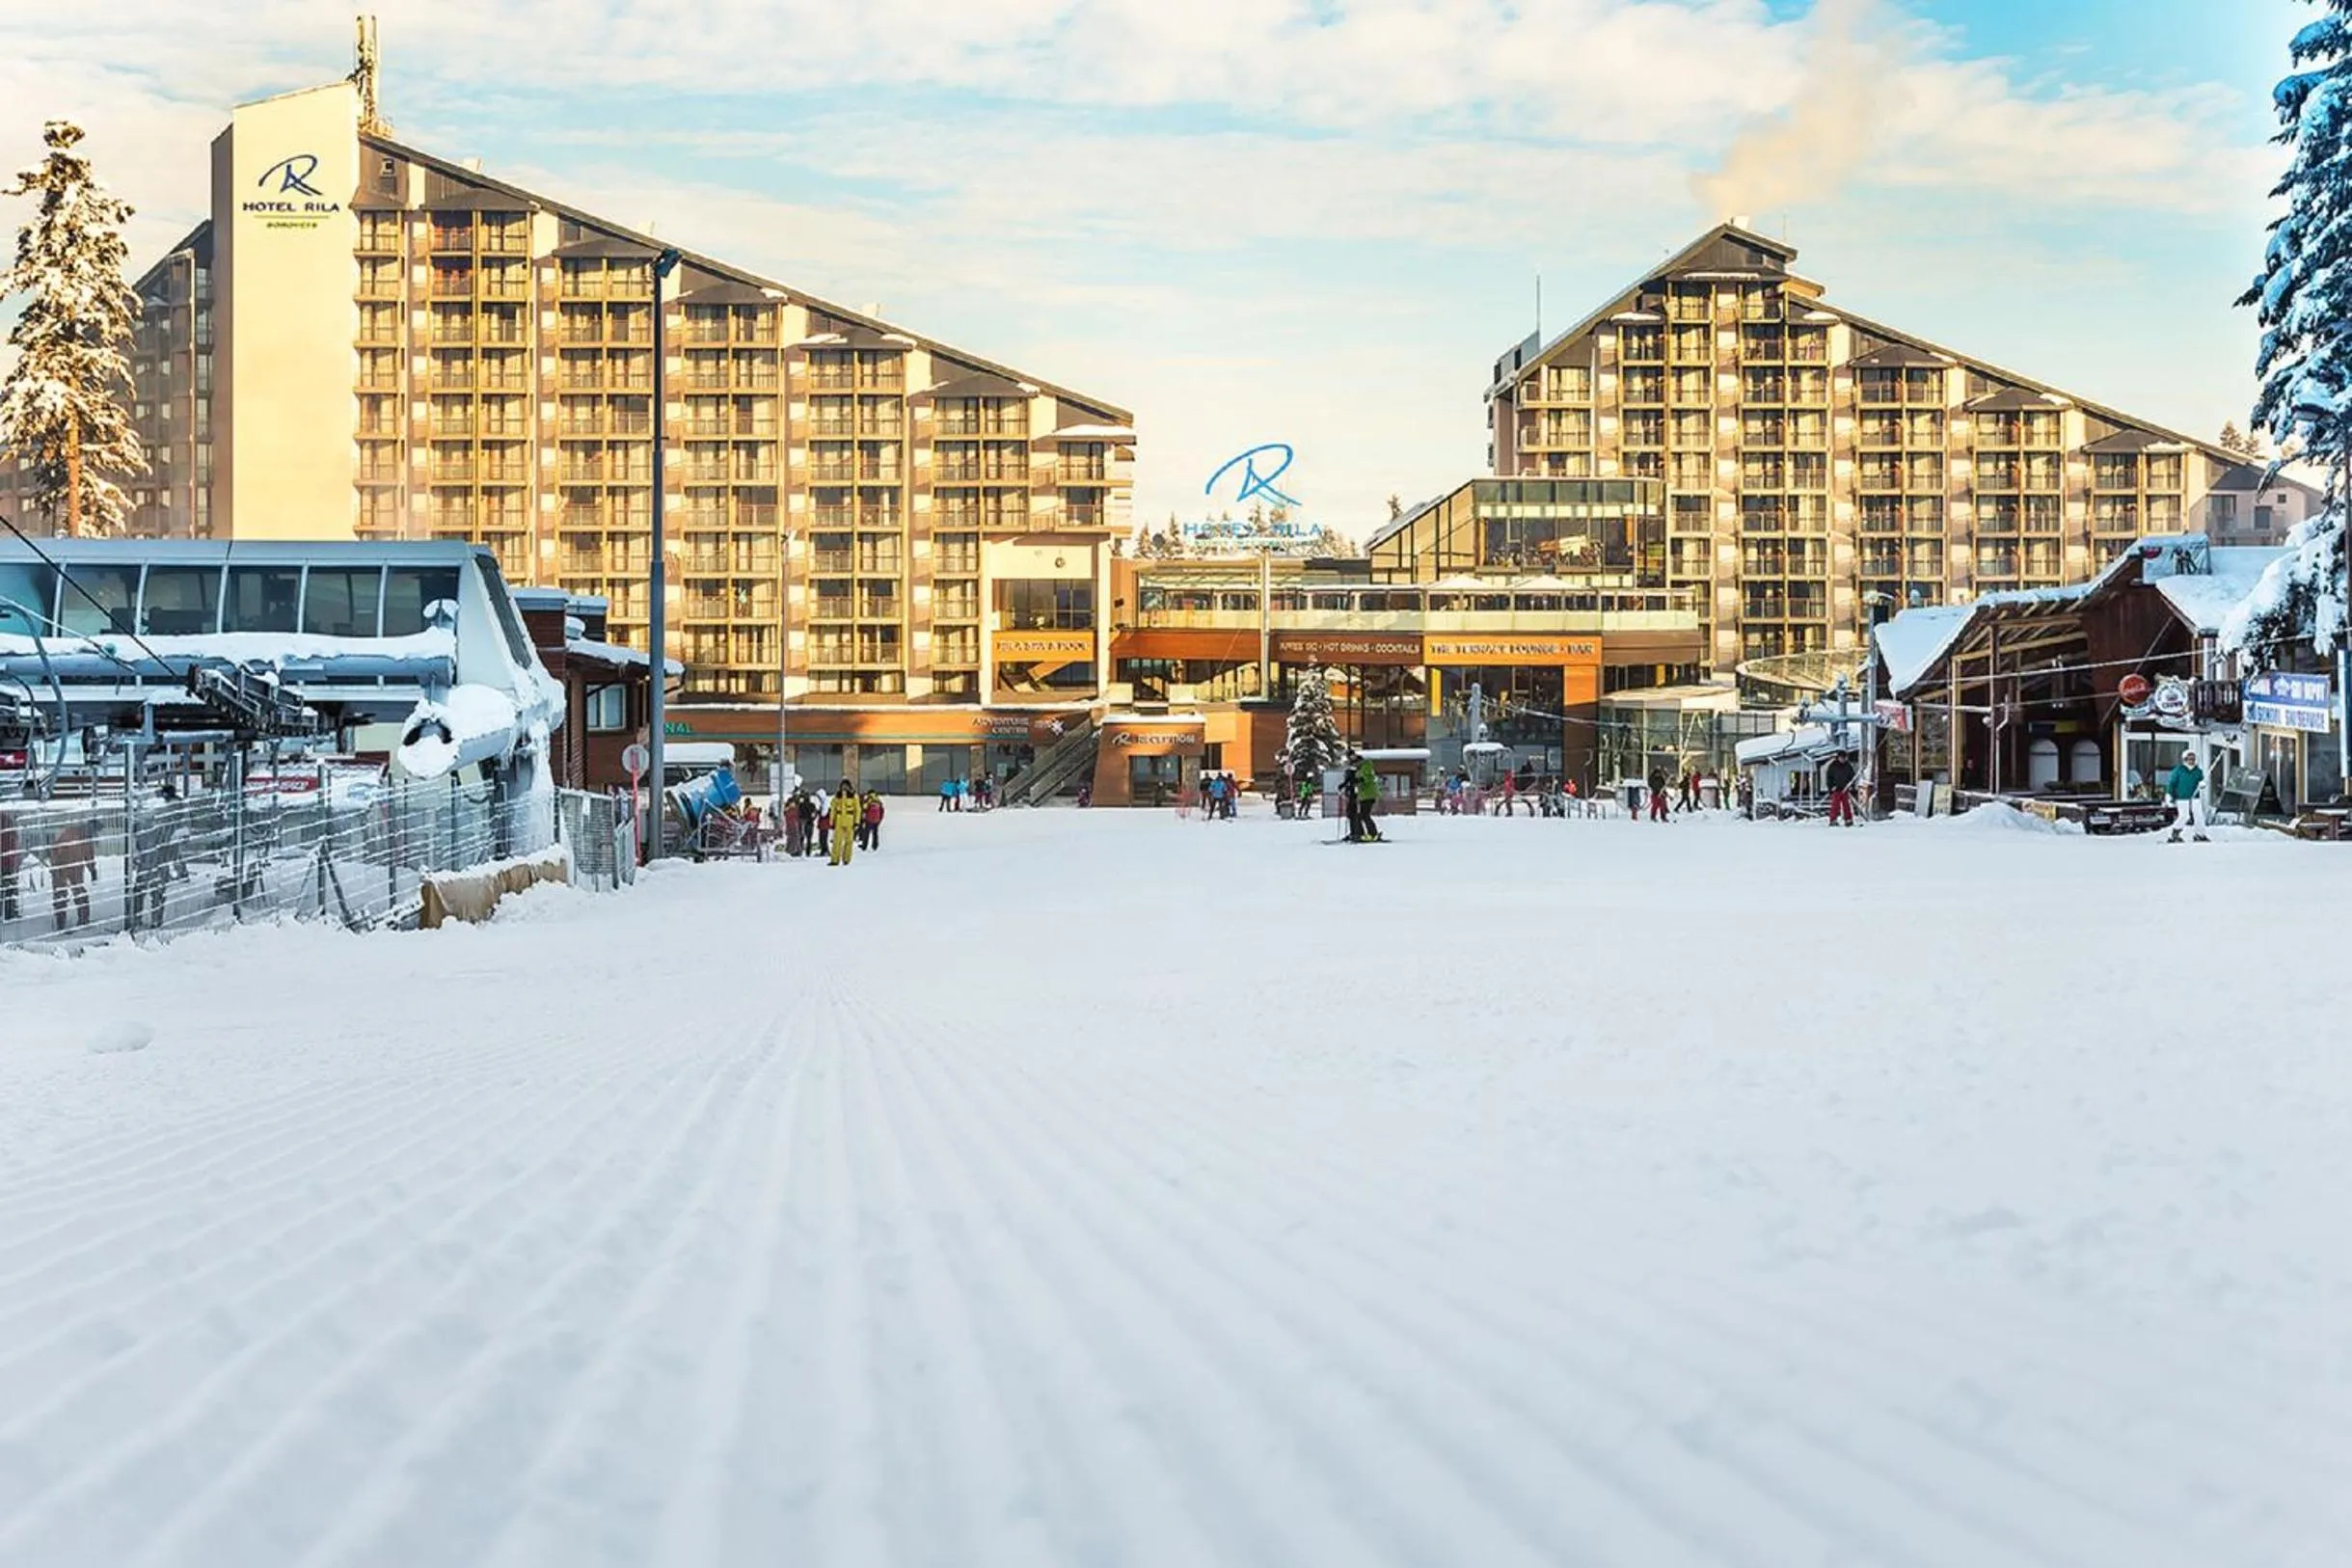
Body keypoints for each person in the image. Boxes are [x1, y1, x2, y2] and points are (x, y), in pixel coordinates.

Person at [49, 817, 95, 930]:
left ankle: (81, 920)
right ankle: (64, 923)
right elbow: (55, 850)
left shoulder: (84, 838)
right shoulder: (71, 834)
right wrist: (55, 867)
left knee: (76, 893)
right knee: (64, 894)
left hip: (73, 868)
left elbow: (89, 855)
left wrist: (92, 869)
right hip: (63, 867)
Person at [2167, 752, 2209, 843]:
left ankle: (2200, 834)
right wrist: (2169, 794)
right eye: (2189, 759)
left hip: (2195, 797)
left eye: (2193, 759)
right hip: (2182, 797)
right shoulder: (2179, 770)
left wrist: (2202, 784)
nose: (2191, 761)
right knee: (2184, 816)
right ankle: (2175, 833)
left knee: (2198, 815)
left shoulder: (2198, 771)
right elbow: (2172, 783)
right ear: (2184, 759)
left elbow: (2201, 781)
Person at [828, 780, 861, 866]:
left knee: (849, 841)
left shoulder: (854, 796)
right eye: (843, 786)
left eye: (846, 786)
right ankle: (835, 860)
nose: (844, 788)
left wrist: (857, 822)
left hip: (849, 819)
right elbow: (833, 810)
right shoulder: (837, 796)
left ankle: (846, 859)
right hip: (839, 820)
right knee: (836, 841)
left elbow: (857, 810)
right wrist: (832, 822)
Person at [1824, 751, 1858, 827]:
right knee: (1835, 805)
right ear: (1838, 757)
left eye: (1844, 758)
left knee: (1846, 805)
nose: (1843, 759)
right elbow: (1829, 778)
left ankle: (1848, 819)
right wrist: (1831, 787)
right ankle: (1833, 820)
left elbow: (1852, 776)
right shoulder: (1833, 766)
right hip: (1836, 789)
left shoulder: (1848, 766)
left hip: (1845, 788)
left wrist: (1851, 786)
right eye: (1841, 758)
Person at [0, 804, 18, 925]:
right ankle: (9, 913)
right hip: (7, 861)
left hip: (6, 860)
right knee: (10, 887)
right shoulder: (7, 821)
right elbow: (14, 839)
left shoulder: (6, 820)